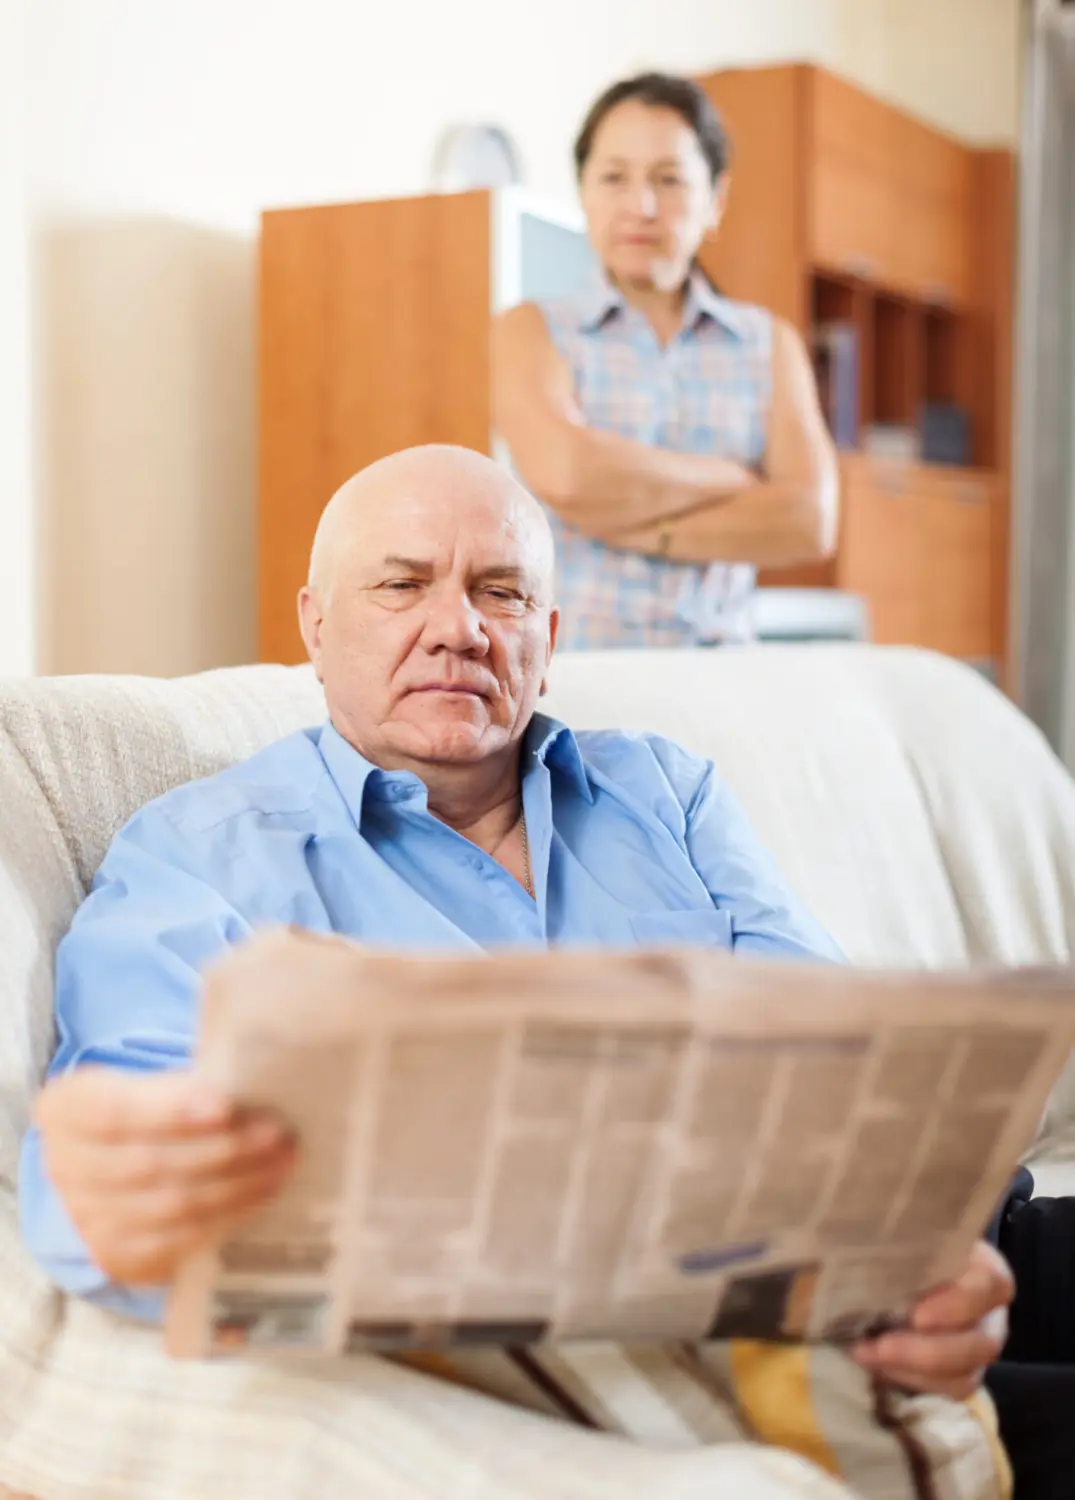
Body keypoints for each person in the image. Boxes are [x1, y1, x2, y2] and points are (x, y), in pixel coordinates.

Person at [19, 446, 1012, 1491]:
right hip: (591, 1373)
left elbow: (840, 1061)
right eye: (402, 585)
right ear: (316, 624)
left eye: (501, 592)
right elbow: (119, 1135)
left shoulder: (663, 792)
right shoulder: (199, 855)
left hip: (855, 1302)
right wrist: (123, 1187)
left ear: (546, 635)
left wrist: (924, 1246)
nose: (457, 626)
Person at [492, 72, 838, 651]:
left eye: (669, 179)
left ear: (716, 201)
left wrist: (640, 523)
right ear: (584, 191)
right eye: (613, 177)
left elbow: (809, 520)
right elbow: (569, 474)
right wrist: (730, 481)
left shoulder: (768, 344)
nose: (641, 205)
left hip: (720, 674)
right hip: (574, 675)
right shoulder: (530, 330)